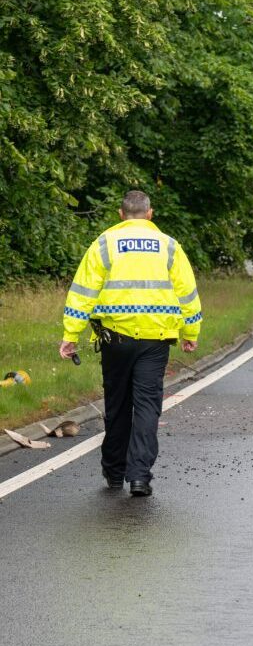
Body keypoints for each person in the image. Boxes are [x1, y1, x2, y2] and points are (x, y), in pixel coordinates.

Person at [59, 190, 202, 497]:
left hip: (116, 339)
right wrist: (191, 332)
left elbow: (82, 292)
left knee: (118, 405)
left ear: (121, 214)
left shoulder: (104, 244)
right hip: (155, 339)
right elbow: (188, 293)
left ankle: (113, 473)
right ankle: (140, 477)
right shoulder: (169, 246)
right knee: (148, 406)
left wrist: (71, 335)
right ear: (150, 214)